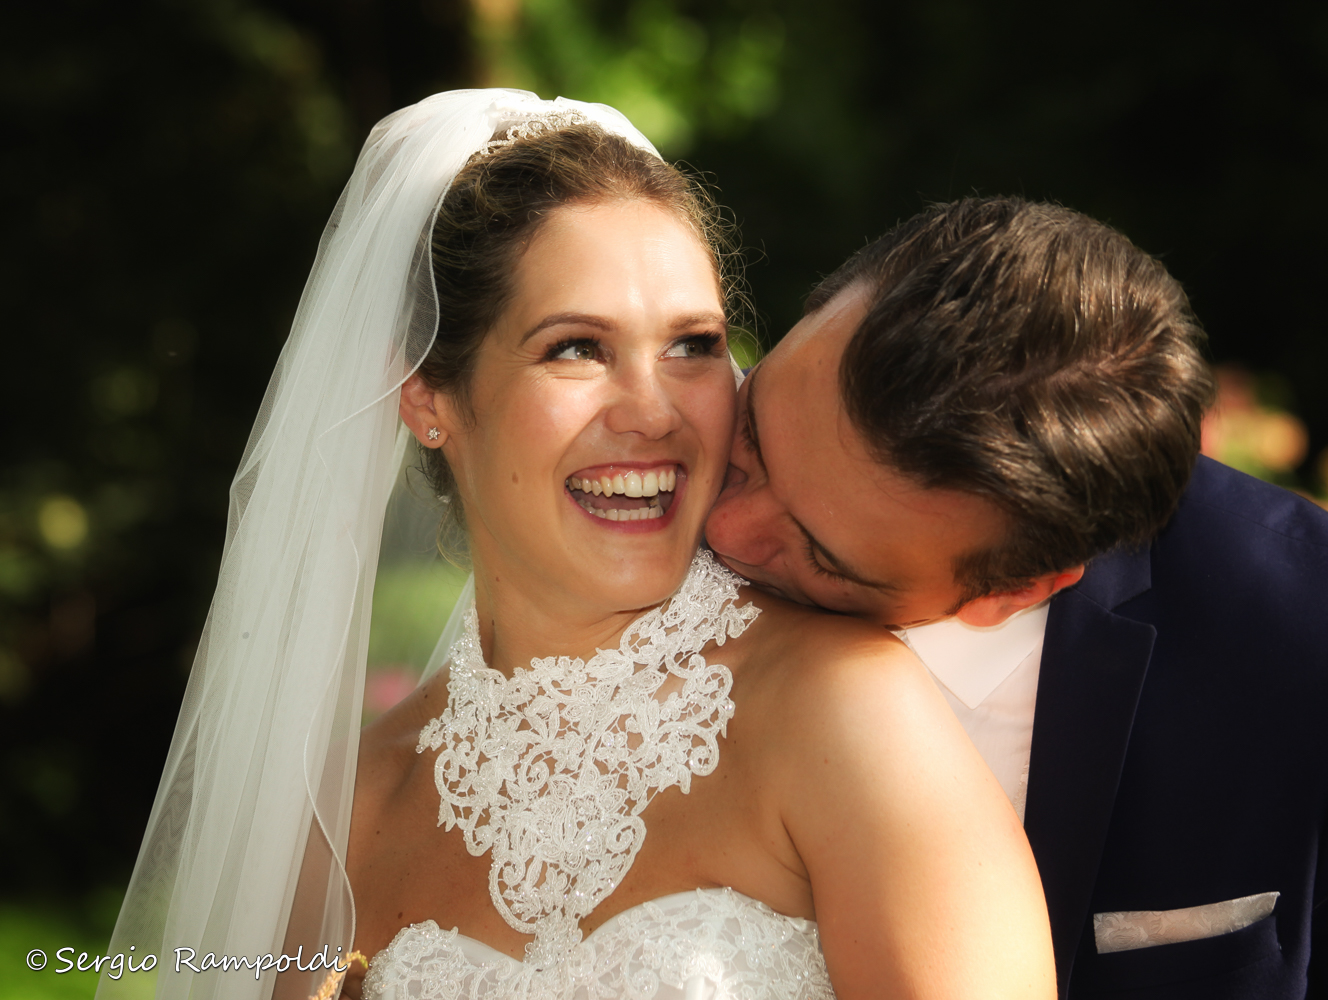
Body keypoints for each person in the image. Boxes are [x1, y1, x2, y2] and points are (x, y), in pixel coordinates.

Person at [102, 93, 1054, 1000]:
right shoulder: (347, 814)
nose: (653, 412)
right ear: (428, 396)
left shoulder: (842, 710)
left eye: (691, 345)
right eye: (576, 348)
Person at [705, 196, 1328, 999]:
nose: (724, 528)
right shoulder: (649, 476)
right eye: (755, 439)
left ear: (1014, 589)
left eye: (822, 556)